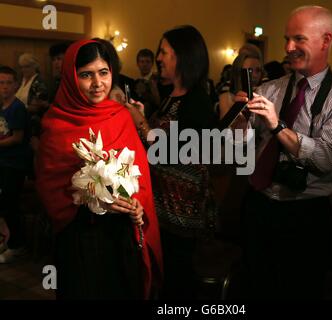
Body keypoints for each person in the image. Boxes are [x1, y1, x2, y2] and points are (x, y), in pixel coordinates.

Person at [233, 6, 332, 299]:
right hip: (259, 205)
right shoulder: (270, 89)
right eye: (286, 39)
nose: (288, 48)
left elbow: (325, 159)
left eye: (299, 39)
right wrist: (238, 120)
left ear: (326, 40)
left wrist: (277, 125)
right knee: (254, 287)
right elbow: (236, 150)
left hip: (305, 217)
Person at [35, 40, 162, 299]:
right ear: (71, 77)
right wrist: (94, 197)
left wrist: (136, 203)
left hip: (121, 235)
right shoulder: (56, 123)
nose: (97, 83)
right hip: (81, 237)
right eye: (86, 75)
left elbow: (139, 171)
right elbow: (50, 187)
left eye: (103, 72)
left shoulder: (120, 116)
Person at [127, 25, 217, 299]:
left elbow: (183, 149)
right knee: (165, 275)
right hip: (161, 204)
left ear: (183, 57)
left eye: (164, 51)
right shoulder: (170, 97)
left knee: (180, 279)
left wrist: (141, 123)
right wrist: (143, 117)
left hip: (182, 211)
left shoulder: (197, 99)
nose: (158, 58)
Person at [0, 66, 31, 263]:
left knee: (10, 205)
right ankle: (7, 239)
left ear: (16, 84)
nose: (4, 87)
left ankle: (17, 245)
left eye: (8, 83)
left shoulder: (18, 108)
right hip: (3, 161)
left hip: (14, 164)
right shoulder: (1, 106)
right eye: (0, 83)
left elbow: (17, 138)